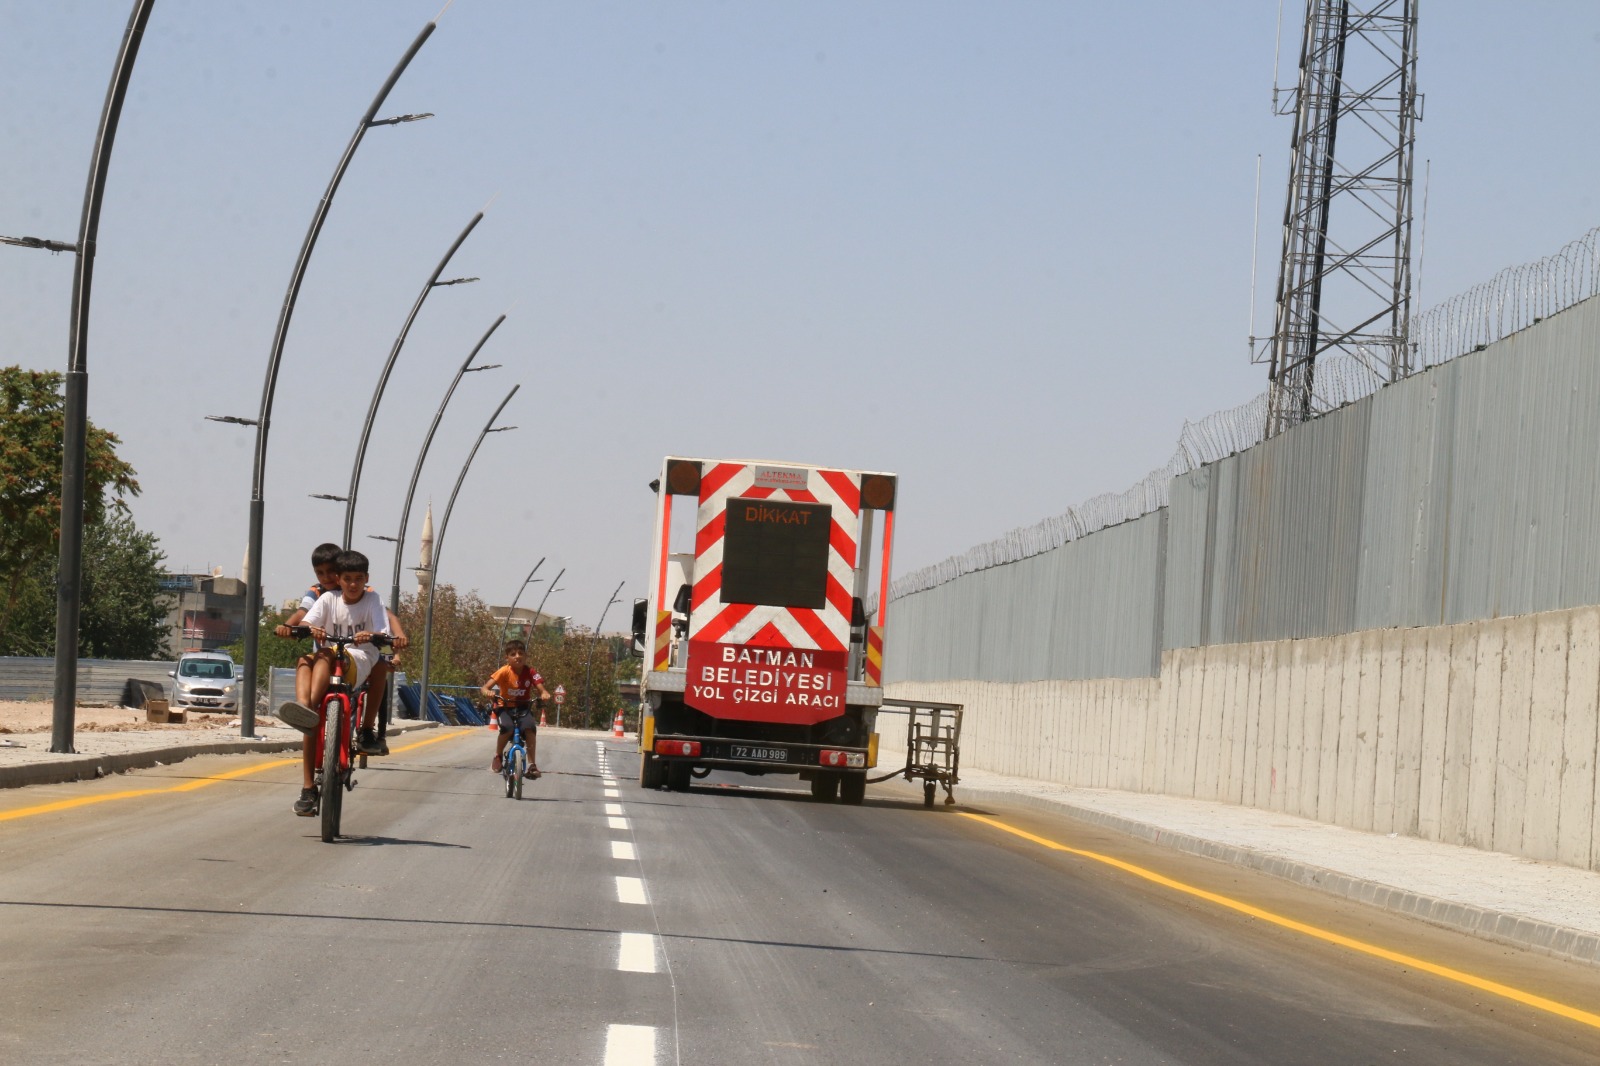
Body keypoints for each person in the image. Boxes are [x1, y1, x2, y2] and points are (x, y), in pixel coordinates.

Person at [277, 550, 399, 816]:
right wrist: (309, 629)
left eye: (358, 579)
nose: (352, 584)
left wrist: (373, 635)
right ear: (339, 580)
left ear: (366, 579)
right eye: (347, 578)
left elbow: (384, 629)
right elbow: (306, 621)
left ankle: (309, 709)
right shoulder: (327, 599)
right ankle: (305, 710)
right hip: (329, 658)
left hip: (358, 659)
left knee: (325, 654)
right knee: (304, 661)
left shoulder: (373, 600)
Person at [276, 541, 409, 755]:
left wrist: (398, 640)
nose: (327, 578)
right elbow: (302, 615)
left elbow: (386, 619)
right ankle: (307, 710)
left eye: (331, 572)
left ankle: (370, 730)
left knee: (380, 670)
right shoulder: (319, 593)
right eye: (321, 573)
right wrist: (287, 628)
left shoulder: (363, 590)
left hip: (359, 653)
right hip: (324, 651)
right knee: (309, 662)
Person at [481, 639, 551, 777]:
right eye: (513, 654)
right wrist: (488, 692)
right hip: (505, 708)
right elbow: (485, 687)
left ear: (526, 656)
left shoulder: (530, 672)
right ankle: (498, 756)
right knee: (507, 728)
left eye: (521, 653)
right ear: (507, 658)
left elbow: (540, 687)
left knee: (530, 729)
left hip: (523, 708)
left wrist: (544, 693)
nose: (517, 656)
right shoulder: (504, 671)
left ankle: (532, 765)